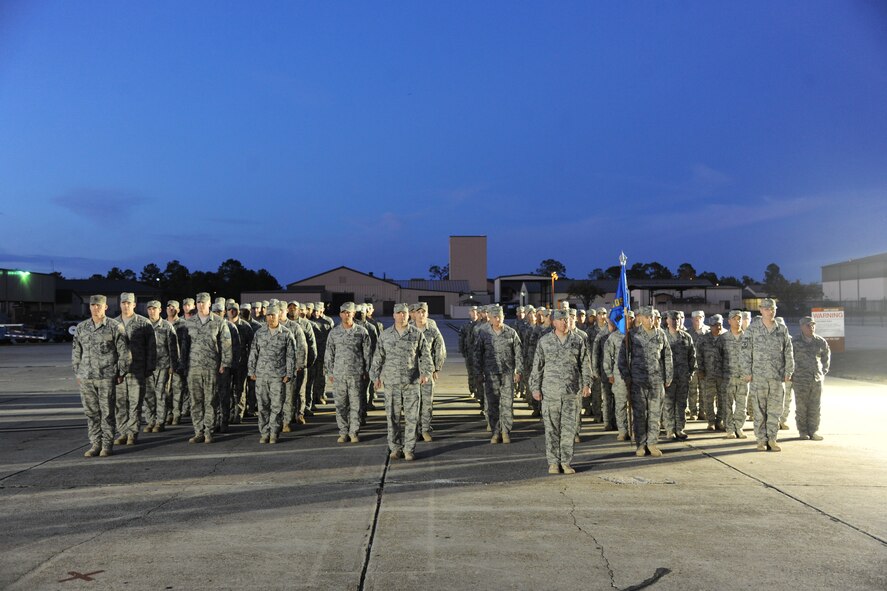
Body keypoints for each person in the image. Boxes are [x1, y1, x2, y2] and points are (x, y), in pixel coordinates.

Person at [529, 308, 591, 475]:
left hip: (572, 393)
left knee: (569, 430)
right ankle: (553, 462)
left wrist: (587, 384)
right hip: (550, 393)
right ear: (553, 322)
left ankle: (565, 462)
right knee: (552, 429)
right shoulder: (544, 341)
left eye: (567, 320)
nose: (564, 322)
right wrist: (535, 388)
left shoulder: (578, 341)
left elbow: (585, 364)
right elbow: (537, 366)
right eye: (561, 320)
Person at [370, 303, 433, 461]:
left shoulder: (416, 334)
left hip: (411, 383)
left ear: (408, 315)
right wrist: (375, 377)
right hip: (391, 383)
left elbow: (425, 356)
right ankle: (395, 448)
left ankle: (409, 449)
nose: (402, 316)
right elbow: (378, 358)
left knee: (412, 418)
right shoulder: (385, 335)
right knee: (392, 418)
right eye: (398, 313)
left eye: (404, 313)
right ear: (394, 315)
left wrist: (425, 373)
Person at [72, 295, 130, 457]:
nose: (95, 308)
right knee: (91, 413)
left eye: (99, 305)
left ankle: (107, 445)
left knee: (107, 412)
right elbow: (76, 351)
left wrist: (121, 372)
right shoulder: (82, 328)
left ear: (105, 307)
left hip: (107, 376)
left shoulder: (114, 326)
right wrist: (78, 371)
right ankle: (95, 444)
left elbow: (124, 352)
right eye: (93, 305)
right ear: (89, 307)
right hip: (87, 377)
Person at [619, 306, 673, 458]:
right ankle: (641, 445)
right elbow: (622, 358)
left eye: (652, 317)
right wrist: (626, 376)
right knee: (640, 415)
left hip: (656, 381)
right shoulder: (632, 335)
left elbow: (667, 357)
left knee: (655, 414)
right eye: (647, 317)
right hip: (638, 382)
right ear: (640, 318)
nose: (650, 320)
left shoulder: (660, 334)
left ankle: (652, 443)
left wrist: (668, 376)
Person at [742, 298, 794, 452]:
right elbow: (745, 351)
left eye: (772, 309)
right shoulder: (753, 329)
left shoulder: (782, 329)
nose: (770, 311)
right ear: (760, 310)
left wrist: (788, 371)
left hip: (777, 377)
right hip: (758, 377)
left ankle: (772, 439)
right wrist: (747, 371)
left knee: (775, 410)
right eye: (766, 309)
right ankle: (761, 440)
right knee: (759, 410)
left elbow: (788, 351)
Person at [185, 292, 232, 444]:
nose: (200, 305)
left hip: (212, 367)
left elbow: (226, 344)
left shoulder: (218, 321)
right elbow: (185, 346)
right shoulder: (190, 322)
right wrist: (183, 365)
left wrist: (224, 363)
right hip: (194, 368)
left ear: (209, 303)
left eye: (203, 302)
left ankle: (209, 432)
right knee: (195, 401)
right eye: (198, 302)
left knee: (210, 401)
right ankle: (198, 431)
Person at [248, 303, 295, 444]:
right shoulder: (260, 333)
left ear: (278, 316)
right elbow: (253, 353)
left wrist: (289, 373)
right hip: (261, 375)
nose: (270, 318)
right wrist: (251, 370)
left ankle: (274, 432)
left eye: (273, 315)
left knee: (276, 406)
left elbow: (291, 355)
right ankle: (264, 432)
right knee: (262, 406)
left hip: (278, 376)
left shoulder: (286, 333)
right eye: (268, 315)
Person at [325, 302, 372, 443]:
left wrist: (367, 371)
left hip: (356, 374)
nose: (346, 315)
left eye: (349, 312)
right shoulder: (334, 332)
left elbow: (367, 353)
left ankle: (354, 432)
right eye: (344, 312)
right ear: (340, 314)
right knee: (340, 405)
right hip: (339, 375)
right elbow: (329, 353)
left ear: (353, 314)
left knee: (356, 405)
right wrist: (330, 372)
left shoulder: (361, 332)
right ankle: (343, 432)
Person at [475, 304, 522, 444]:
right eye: (495, 317)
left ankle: (506, 431)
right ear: (490, 318)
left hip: (507, 374)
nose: (497, 319)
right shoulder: (483, 333)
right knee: (493, 404)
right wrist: (478, 373)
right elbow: (477, 354)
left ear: (503, 317)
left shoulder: (511, 332)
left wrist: (518, 371)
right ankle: (496, 432)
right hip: (491, 374)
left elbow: (519, 353)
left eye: (500, 317)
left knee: (507, 404)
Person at [114, 292, 156, 446]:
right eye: (123, 303)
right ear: (120, 304)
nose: (126, 306)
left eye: (129, 303)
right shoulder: (113, 323)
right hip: (119, 373)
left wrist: (150, 367)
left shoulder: (144, 323)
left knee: (135, 404)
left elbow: (152, 347)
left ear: (134, 305)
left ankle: (132, 433)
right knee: (120, 405)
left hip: (137, 370)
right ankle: (123, 432)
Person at [410, 302, 446, 441]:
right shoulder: (408, 330)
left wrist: (436, 368)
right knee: (412, 403)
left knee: (426, 402)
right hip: (411, 373)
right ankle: (414, 430)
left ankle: (425, 430)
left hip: (427, 372)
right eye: (418, 312)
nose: (421, 314)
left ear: (427, 313)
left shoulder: (432, 330)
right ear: (414, 314)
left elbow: (440, 349)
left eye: (423, 312)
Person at [791, 317, 830, 441]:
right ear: (802, 327)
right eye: (808, 325)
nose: (811, 327)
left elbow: (826, 357)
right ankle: (803, 431)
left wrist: (822, 372)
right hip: (800, 379)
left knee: (815, 406)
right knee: (802, 406)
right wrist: (791, 373)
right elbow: (788, 358)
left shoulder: (820, 341)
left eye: (813, 325)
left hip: (816, 379)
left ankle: (813, 431)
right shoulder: (795, 341)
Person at [145, 300, 179, 433]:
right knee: (148, 396)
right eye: (149, 309)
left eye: (154, 309)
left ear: (160, 310)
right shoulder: (143, 325)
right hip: (147, 367)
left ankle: (160, 422)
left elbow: (173, 348)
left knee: (160, 394)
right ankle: (150, 421)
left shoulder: (166, 326)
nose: (152, 311)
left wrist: (173, 365)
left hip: (162, 365)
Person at [663, 310, 695, 440]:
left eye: (677, 319)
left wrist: (690, 373)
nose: (675, 322)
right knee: (668, 404)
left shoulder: (686, 337)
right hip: (668, 378)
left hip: (682, 376)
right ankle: (670, 430)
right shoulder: (662, 337)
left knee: (681, 404)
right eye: (672, 319)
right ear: (667, 321)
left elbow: (692, 357)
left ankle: (680, 429)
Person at [602, 310, 634, 441]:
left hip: (635, 375)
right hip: (619, 375)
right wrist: (609, 373)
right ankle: (623, 430)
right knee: (620, 404)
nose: (630, 320)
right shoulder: (613, 337)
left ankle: (635, 430)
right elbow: (607, 357)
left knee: (636, 404)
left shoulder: (637, 335)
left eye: (632, 318)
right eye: (628, 318)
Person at [719, 310, 749, 439]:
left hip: (743, 377)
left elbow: (751, 356)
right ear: (729, 321)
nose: (737, 321)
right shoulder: (723, 338)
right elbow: (718, 358)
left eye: (739, 319)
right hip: (728, 377)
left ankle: (739, 428)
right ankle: (730, 429)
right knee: (727, 404)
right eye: (735, 319)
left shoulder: (747, 337)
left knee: (742, 405)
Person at [696, 314, 725, 431]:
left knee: (722, 399)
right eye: (715, 325)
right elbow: (698, 355)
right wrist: (700, 370)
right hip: (708, 374)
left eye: (719, 325)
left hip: (722, 374)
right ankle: (711, 421)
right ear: (710, 326)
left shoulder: (725, 338)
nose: (717, 328)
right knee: (709, 399)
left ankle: (720, 421)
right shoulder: (703, 339)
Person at [165, 300, 189, 425]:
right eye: (168, 306)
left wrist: (183, 363)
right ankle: (168, 414)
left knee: (178, 390)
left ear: (178, 310)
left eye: (173, 307)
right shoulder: (163, 324)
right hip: (164, 363)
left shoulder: (183, 325)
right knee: (166, 391)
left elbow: (185, 346)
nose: (170, 309)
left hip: (178, 363)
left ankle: (176, 414)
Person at [687, 310, 709, 420]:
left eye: (700, 318)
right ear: (692, 320)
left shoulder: (708, 332)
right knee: (692, 390)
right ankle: (693, 412)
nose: (698, 320)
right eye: (695, 318)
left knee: (704, 390)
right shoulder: (688, 333)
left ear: (703, 318)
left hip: (705, 366)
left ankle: (703, 411)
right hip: (692, 367)